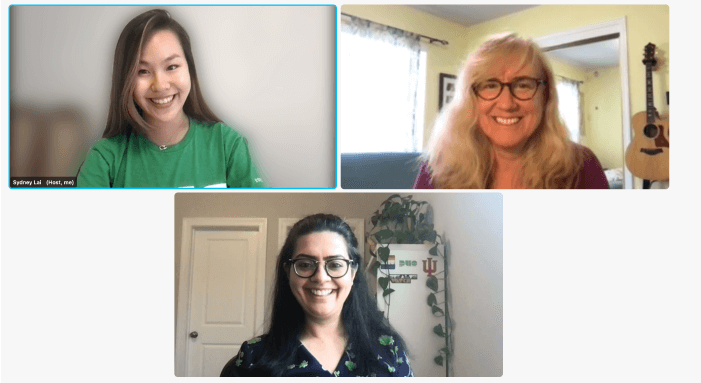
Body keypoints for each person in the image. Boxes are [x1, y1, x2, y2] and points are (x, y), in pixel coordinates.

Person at [77, 9, 265, 188]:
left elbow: (262, 215)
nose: (160, 85)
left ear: (190, 69)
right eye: (143, 71)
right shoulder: (103, 159)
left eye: (172, 67)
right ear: (126, 80)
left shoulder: (227, 145)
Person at [221, 214, 412, 377]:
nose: (321, 278)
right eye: (305, 264)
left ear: (353, 273)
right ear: (288, 272)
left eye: (335, 264)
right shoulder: (253, 357)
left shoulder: (389, 350)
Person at [414, 33, 609, 189]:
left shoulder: (581, 165)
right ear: (469, 99)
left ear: (546, 96)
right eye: (490, 85)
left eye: (523, 85)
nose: (507, 104)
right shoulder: (438, 168)